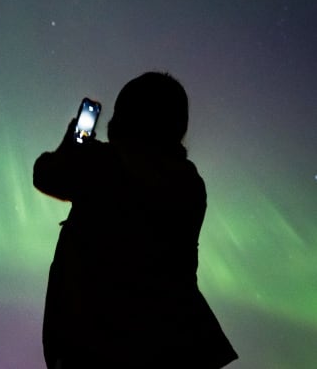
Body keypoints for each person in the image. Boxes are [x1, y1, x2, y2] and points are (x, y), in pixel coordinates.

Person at [33, 72, 238, 368]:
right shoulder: (190, 182)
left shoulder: (106, 162)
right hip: (174, 343)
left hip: (101, 344)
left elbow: (47, 174)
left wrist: (75, 142)